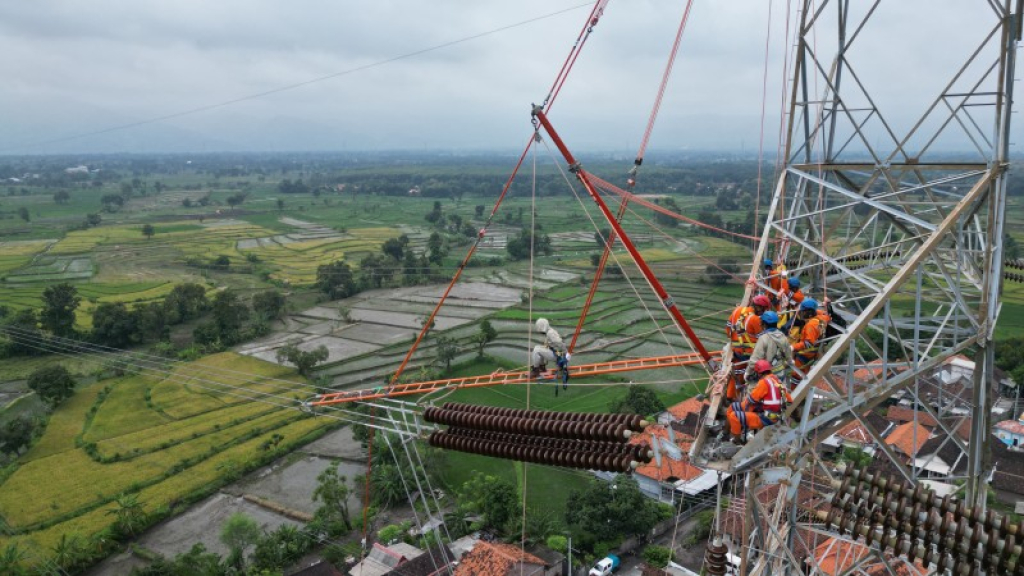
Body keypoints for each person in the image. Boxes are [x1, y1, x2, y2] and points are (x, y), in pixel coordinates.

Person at [726, 359, 792, 444]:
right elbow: (789, 401)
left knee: (734, 416)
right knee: (733, 408)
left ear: (759, 373)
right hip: (774, 415)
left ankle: (737, 441)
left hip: (765, 418)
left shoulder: (763, 382)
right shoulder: (778, 381)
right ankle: (731, 432)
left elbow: (752, 399)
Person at [725, 294, 771, 401]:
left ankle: (730, 396)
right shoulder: (755, 319)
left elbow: (728, 328)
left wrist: (735, 339)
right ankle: (750, 398)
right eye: (763, 310)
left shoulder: (737, 310)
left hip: (736, 350)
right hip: (748, 353)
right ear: (759, 307)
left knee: (736, 373)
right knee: (751, 376)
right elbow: (762, 339)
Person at [790, 298, 829, 389]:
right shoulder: (822, 319)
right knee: (803, 377)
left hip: (804, 355)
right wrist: (825, 307)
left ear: (809, 312)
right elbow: (826, 314)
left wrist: (793, 347)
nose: (802, 314)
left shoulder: (810, 325)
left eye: (803, 312)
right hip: (812, 355)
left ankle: (794, 394)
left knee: (795, 376)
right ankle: (801, 395)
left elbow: (808, 343)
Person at [744, 311, 792, 382]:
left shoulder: (763, 339)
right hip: (780, 375)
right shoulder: (783, 336)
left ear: (764, 324)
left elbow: (755, 360)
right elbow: (788, 357)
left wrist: (748, 372)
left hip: (767, 376)